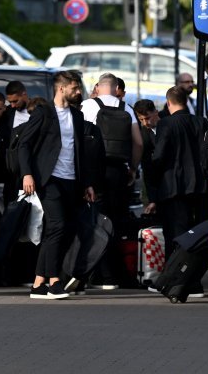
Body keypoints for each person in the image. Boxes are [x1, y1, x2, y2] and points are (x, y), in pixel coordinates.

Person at [17, 71, 96, 300]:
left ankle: (38, 283)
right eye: (74, 88)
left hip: (72, 181)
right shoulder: (44, 113)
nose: (78, 92)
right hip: (48, 179)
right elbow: (24, 144)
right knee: (58, 226)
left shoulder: (76, 116)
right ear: (62, 89)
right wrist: (27, 174)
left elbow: (81, 152)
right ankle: (54, 281)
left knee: (62, 229)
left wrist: (87, 183)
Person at [80, 73, 144, 289]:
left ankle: (98, 274)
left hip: (94, 172)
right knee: (116, 221)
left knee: (95, 221)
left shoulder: (87, 106)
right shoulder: (126, 108)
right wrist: (133, 169)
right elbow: (138, 143)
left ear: (98, 87)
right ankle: (118, 274)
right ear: (117, 89)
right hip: (118, 172)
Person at [148, 87, 208, 264]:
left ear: (168, 103)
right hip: (198, 185)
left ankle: (175, 276)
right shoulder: (201, 122)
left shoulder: (165, 124)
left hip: (173, 186)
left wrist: (153, 178)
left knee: (174, 232)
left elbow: (159, 156)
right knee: (195, 232)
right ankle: (193, 277)